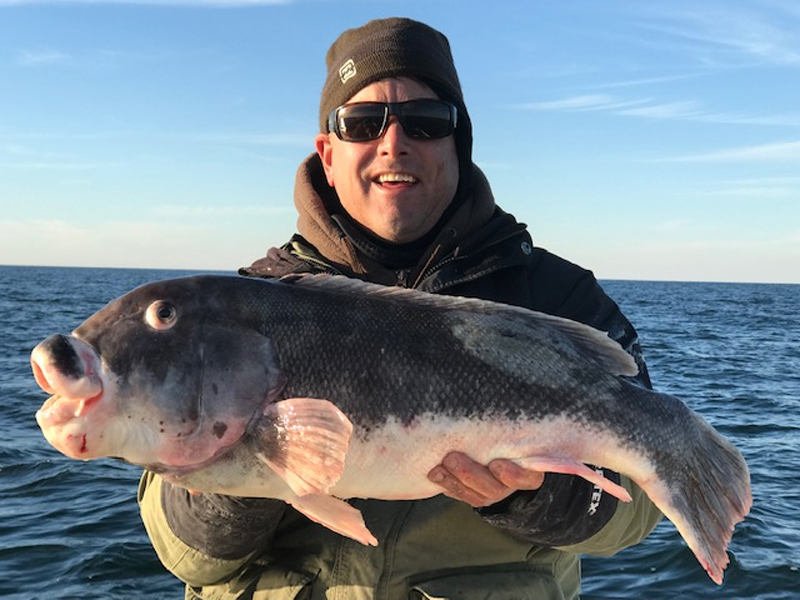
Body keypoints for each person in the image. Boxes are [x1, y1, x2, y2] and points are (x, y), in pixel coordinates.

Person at [138, 17, 663, 600]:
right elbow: (186, 556)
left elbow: (640, 507)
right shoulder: (247, 308)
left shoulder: (560, 299)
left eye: (426, 121)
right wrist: (245, 468)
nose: (393, 142)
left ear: (458, 144)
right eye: (362, 123)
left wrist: (536, 495)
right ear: (328, 154)